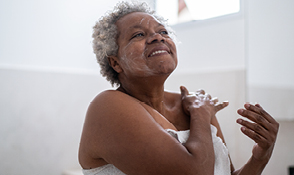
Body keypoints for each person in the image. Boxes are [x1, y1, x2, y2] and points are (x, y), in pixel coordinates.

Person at [78, 1, 279, 175]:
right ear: (116, 63)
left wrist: (260, 157)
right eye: (138, 35)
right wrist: (201, 114)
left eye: (163, 31)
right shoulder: (107, 107)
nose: (158, 37)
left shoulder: (194, 105)